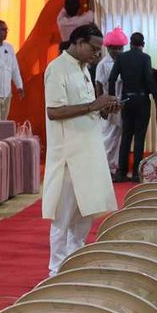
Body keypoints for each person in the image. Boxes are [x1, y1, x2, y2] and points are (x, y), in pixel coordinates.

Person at [42, 24, 119, 276]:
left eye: (99, 50)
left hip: (90, 150)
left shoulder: (84, 68)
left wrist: (104, 108)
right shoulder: (57, 68)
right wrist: (93, 105)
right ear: (78, 42)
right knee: (62, 218)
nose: (97, 54)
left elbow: (87, 108)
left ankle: (74, 265)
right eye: (93, 48)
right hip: (68, 154)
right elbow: (54, 112)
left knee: (86, 212)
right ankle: (55, 271)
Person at [108, 31, 156, 181]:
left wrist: (112, 98)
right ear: (143, 44)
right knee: (139, 138)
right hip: (142, 100)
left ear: (130, 43)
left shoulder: (122, 57)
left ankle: (122, 172)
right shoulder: (145, 58)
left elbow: (112, 78)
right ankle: (136, 173)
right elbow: (149, 79)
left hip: (126, 100)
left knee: (126, 136)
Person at [95, 28, 128, 170]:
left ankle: (116, 165)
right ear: (108, 48)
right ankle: (104, 165)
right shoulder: (103, 64)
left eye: (120, 48)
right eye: (114, 48)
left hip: (123, 104)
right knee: (108, 135)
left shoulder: (125, 62)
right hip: (109, 105)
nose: (117, 51)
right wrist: (101, 106)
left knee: (120, 136)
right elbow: (98, 85)